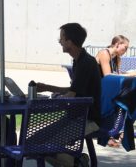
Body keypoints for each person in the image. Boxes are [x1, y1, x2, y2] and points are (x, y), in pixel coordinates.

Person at [36, 23, 101, 167]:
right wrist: (47, 87)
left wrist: (56, 97)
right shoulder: (79, 60)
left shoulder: (86, 62)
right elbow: (74, 90)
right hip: (77, 117)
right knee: (37, 140)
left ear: (70, 42)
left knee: (48, 143)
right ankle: (77, 161)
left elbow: (71, 95)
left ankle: (75, 162)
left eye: (61, 39)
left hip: (89, 119)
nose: (60, 42)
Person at [96, 35, 132, 147]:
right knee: (123, 99)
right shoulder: (104, 53)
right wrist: (129, 75)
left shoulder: (116, 58)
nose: (125, 51)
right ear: (117, 44)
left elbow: (116, 75)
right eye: (125, 48)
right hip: (98, 89)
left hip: (106, 89)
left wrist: (128, 73)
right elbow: (108, 76)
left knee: (127, 98)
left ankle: (116, 132)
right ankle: (113, 134)